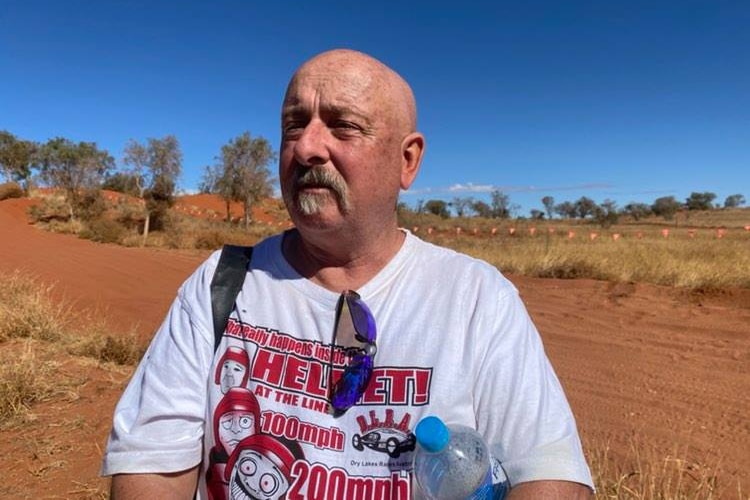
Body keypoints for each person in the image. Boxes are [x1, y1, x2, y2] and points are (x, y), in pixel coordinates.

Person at [102, 48, 594, 499]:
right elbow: (150, 463)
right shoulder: (222, 282)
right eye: (294, 125)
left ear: (408, 160)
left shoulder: (477, 298)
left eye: (343, 126)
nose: (307, 147)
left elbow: (550, 475)